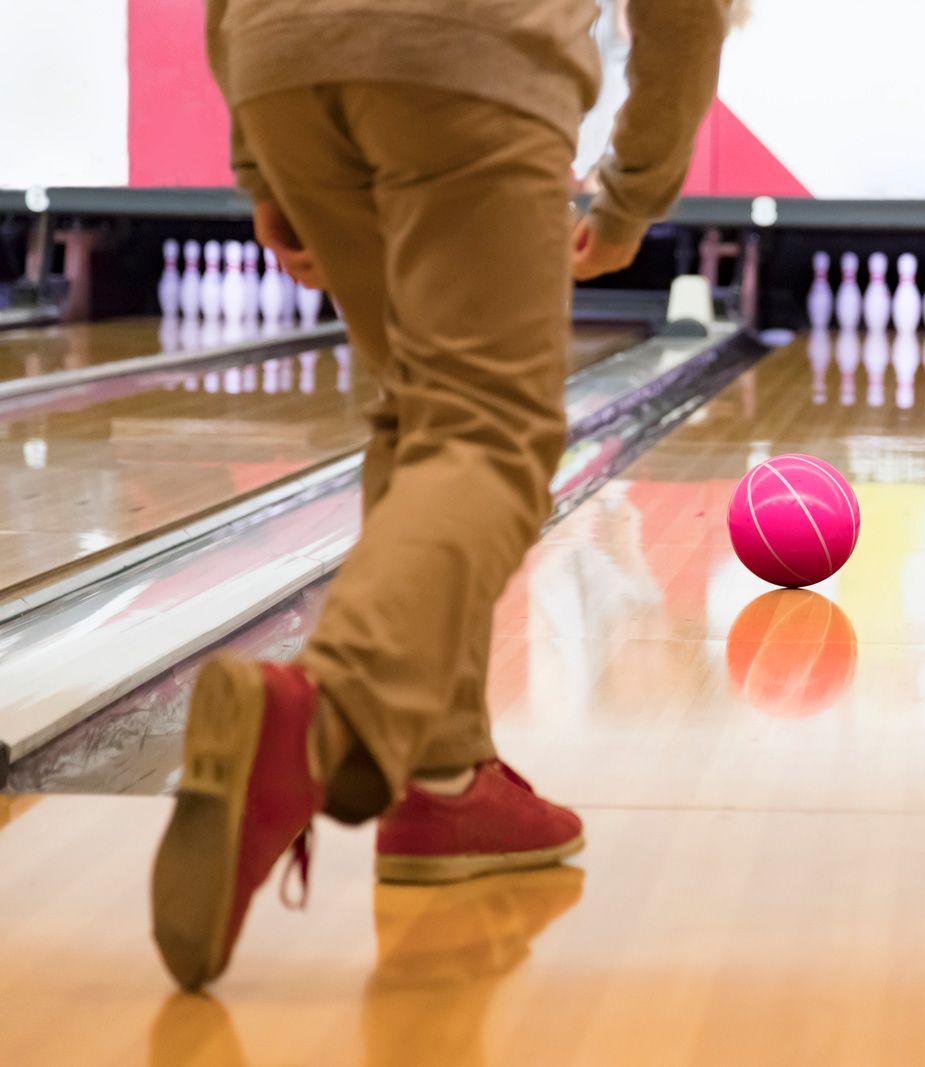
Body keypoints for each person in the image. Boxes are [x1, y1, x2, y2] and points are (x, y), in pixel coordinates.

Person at [151, 0, 730, 990]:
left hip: (279, 55)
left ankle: (443, 776)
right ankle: (324, 710)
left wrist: (260, 150)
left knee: (418, 408)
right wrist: (634, 193)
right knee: (490, 430)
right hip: (463, 49)